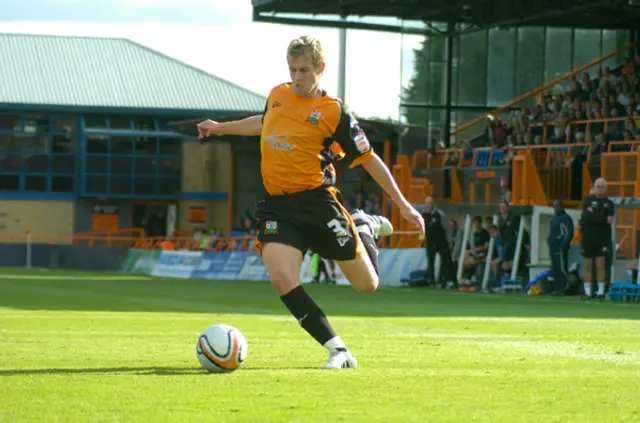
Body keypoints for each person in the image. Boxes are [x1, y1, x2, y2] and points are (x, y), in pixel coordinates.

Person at [196, 36, 424, 370]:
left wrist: (403, 205)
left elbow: (370, 158)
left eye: (304, 69)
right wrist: (220, 128)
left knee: (367, 284)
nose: (298, 76)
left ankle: (364, 225)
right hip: (277, 207)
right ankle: (339, 351)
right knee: (281, 278)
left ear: (320, 68)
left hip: (318, 204)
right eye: (292, 69)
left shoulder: (333, 111)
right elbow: (264, 124)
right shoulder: (278, 94)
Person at [580, 178, 614, 300]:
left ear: (606, 189)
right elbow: (589, 218)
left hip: (602, 238)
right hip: (588, 237)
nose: (600, 189)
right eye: (598, 187)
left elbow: (609, 219)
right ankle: (588, 292)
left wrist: (597, 217)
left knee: (601, 265)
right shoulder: (587, 200)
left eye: (603, 187)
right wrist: (603, 219)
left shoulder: (609, 203)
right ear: (594, 187)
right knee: (588, 265)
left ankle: (600, 292)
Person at [422, 196, 457, 288]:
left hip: (441, 241)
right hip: (430, 241)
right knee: (431, 261)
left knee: (446, 260)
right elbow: (422, 229)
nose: (428, 205)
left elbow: (446, 228)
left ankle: (450, 280)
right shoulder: (423, 215)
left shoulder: (440, 214)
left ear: (433, 204)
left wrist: (449, 241)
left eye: (430, 203)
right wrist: (421, 239)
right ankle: (432, 281)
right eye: (427, 203)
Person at [546, 200, 574, 295]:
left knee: (562, 267)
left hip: (561, 248)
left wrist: (563, 245)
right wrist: (549, 240)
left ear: (562, 207)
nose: (555, 208)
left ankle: (565, 287)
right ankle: (557, 288)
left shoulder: (566, 218)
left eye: (557, 206)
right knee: (555, 268)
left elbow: (569, 233)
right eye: (554, 206)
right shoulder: (553, 218)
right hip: (553, 247)